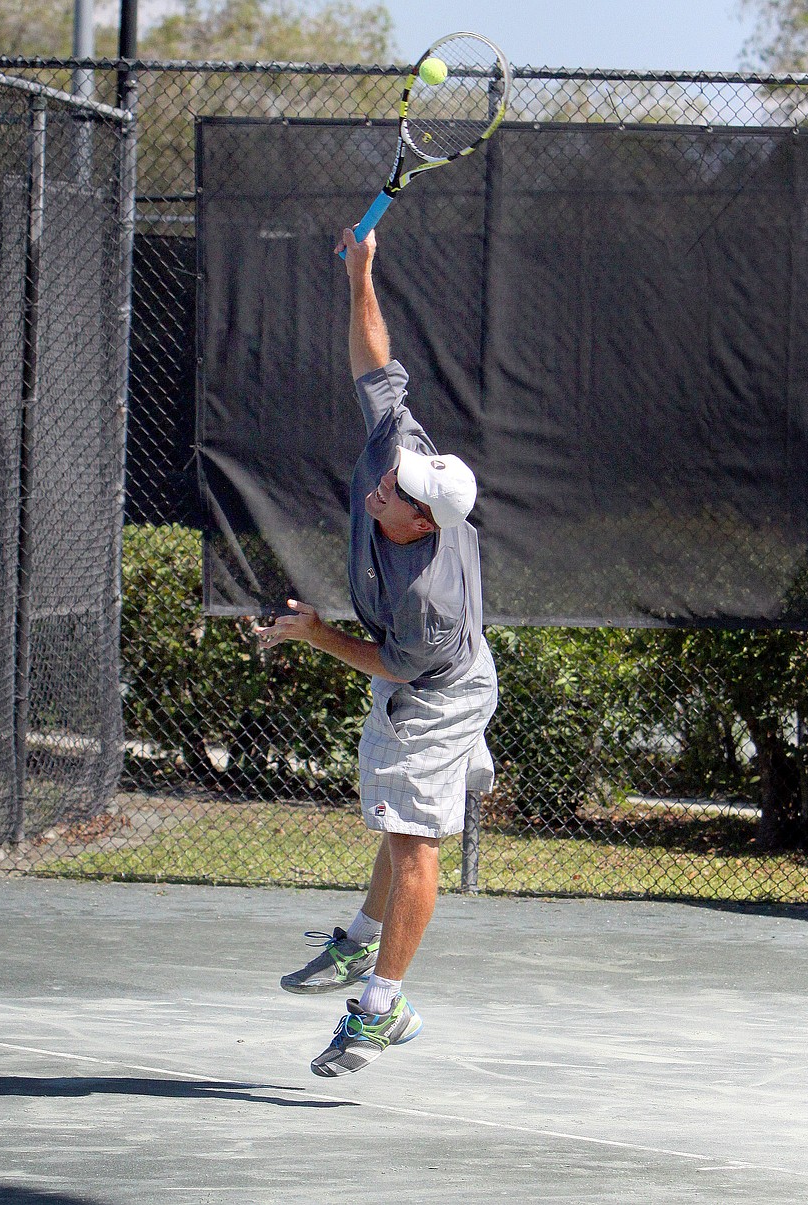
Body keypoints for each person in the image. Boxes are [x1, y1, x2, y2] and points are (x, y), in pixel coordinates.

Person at [255, 227, 498, 1077]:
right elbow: (374, 362)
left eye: (393, 495)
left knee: (415, 837)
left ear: (423, 523)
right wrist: (363, 273)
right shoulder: (404, 448)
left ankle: (381, 1008)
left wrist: (316, 634)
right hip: (422, 674)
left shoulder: (426, 596)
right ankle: (361, 940)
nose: (378, 487)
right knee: (396, 818)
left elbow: (397, 667)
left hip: (441, 688)